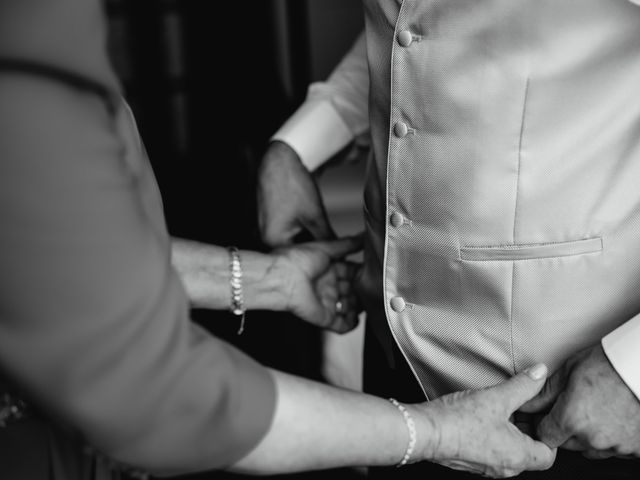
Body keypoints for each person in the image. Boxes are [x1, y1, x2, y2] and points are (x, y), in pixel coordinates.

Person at [0, 0, 557, 479]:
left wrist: (274, 281)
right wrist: (434, 433)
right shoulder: (27, 49)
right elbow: (155, 391)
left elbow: (53, 267)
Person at [258, 2, 640, 479]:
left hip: (569, 398)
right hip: (395, 369)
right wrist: (301, 143)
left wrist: (634, 370)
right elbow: (412, 26)